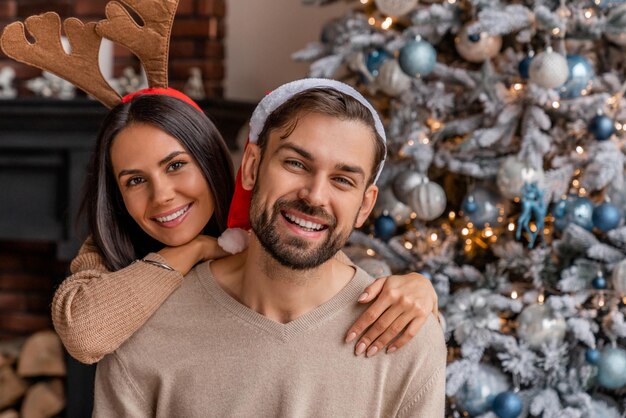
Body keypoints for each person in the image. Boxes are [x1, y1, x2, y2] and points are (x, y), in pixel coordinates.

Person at [93, 79, 446, 417]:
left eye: (342, 180)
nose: (314, 195)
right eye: (295, 163)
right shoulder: (147, 327)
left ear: (365, 206)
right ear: (250, 167)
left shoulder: (407, 336)